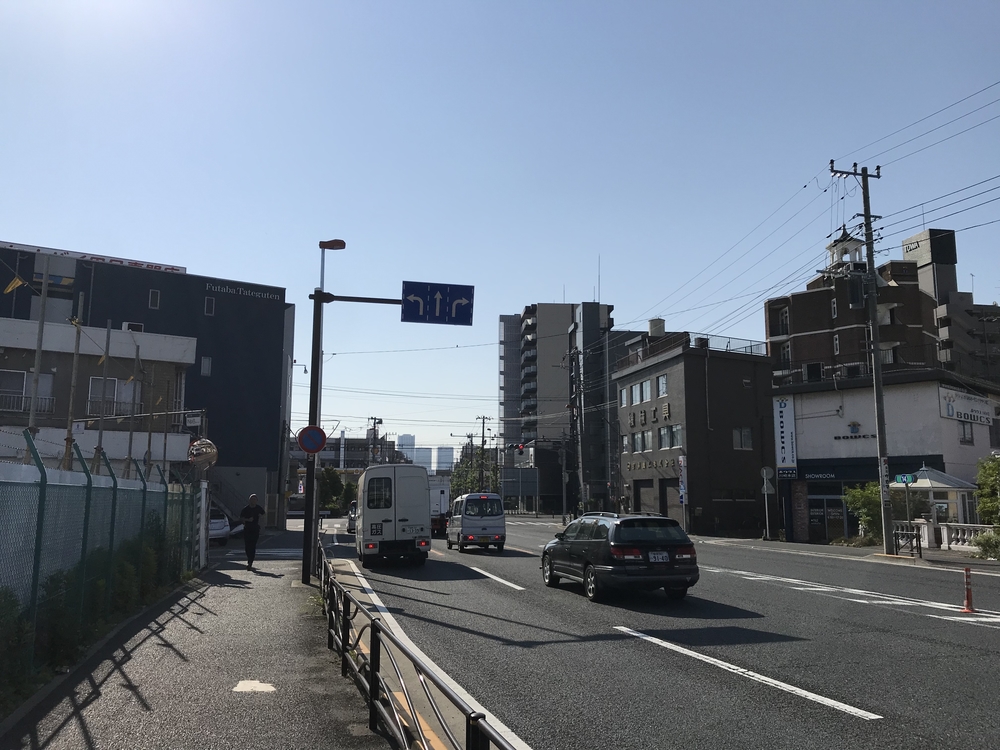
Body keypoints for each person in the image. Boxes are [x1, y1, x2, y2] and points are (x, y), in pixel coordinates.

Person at [239, 494, 265, 570]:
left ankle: (250, 562)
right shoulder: (246, 509)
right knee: (247, 546)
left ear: (256, 501)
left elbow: (263, 514)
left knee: (253, 546)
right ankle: (249, 558)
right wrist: (247, 520)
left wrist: (261, 518)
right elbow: (241, 518)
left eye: (254, 499)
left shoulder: (258, 508)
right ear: (249, 500)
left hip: (255, 529)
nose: (253, 501)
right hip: (247, 529)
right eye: (252, 499)